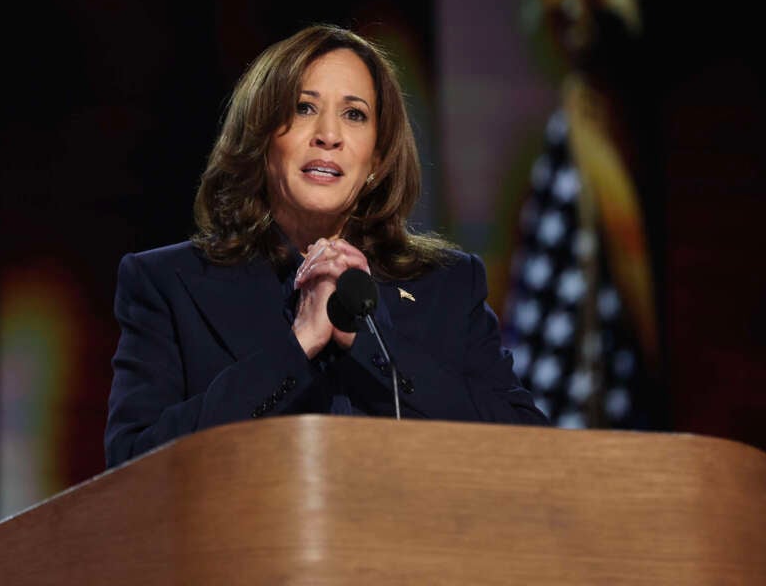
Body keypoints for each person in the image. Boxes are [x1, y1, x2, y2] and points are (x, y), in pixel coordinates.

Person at [104, 25, 547, 468]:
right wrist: (297, 345)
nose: (328, 135)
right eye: (303, 108)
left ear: (376, 158)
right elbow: (132, 464)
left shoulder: (448, 285)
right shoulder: (170, 285)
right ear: (261, 141)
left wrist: (371, 345)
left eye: (354, 114)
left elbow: (527, 447)